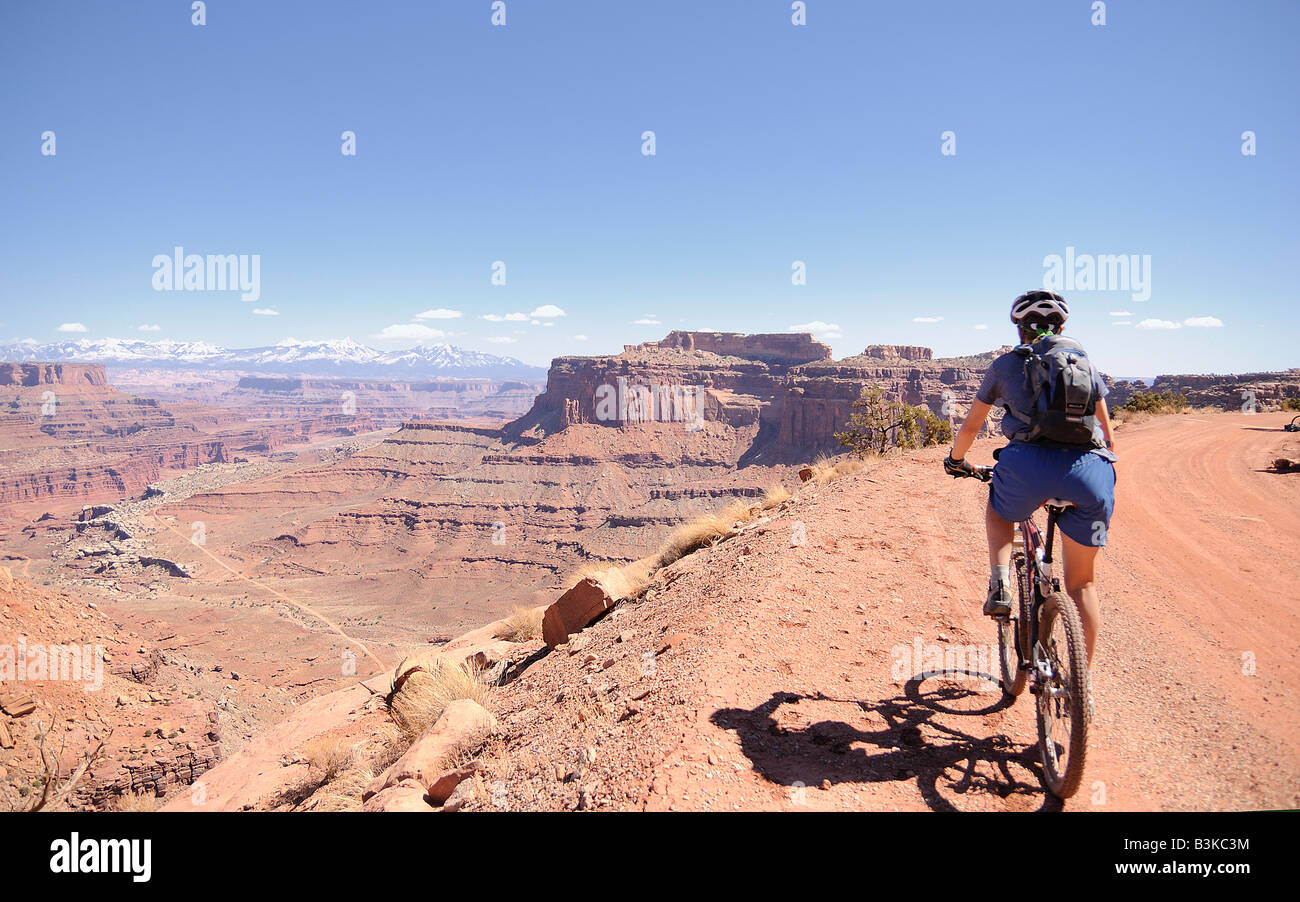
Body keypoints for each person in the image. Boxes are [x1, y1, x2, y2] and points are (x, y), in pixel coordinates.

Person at [943, 290, 1116, 664]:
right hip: (1090, 473)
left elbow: (972, 426)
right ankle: (1078, 684)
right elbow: (1109, 435)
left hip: (1027, 467)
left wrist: (956, 460)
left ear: (1020, 330)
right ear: (1062, 327)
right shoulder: (1084, 363)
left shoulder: (1006, 365)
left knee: (1000, 511)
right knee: (1083, 583)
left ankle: (1000, 583)